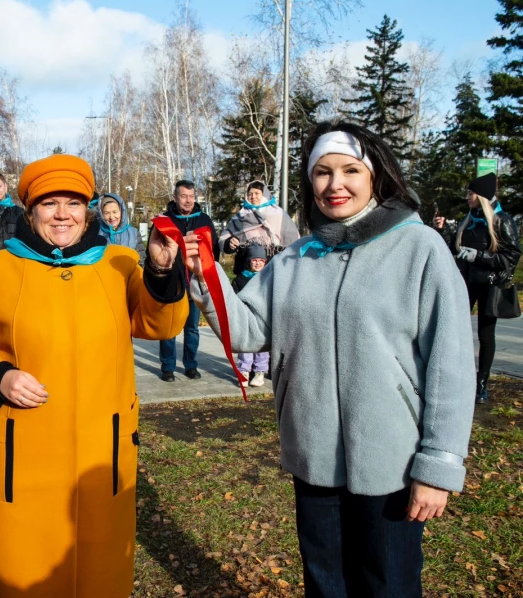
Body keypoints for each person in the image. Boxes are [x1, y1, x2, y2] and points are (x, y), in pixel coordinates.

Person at [184, 122, 475, 597]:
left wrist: (438, 466)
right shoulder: (297, 257)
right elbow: (248, 329)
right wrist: (206, 276)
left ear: (375, 176)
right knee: (325, 584)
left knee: (388, 586)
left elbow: (451, 364)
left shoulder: (419, 248)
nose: (334, 184)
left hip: (392, 464)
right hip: (313, 458)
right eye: (321, 172)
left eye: (348, 170)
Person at [0, 154, 189, 598]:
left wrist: (159, 269)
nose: (62, 214)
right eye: (49, 204)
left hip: (102, 458)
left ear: (89, 210)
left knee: (100, 576)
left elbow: (161, 325)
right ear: (30, 211)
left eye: (74, 203)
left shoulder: (118, 265)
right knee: (21, 575)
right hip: (20, 462)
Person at [433, 173, 521, 404]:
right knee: (456, 330)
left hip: (490, 285)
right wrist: (443, 230)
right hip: (467, 283)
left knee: (485, 334)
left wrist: (479, 255)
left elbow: (512, 255)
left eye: (470, 194)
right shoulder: (468, 218)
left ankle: (481, 385)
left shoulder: (502, 220)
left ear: (481, 196)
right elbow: (454, 247)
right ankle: (456, 377)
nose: (467, 198)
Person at [157, 179, 219, 382]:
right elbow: (156, 252)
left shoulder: (204, 220)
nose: (188, 201)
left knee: (191, 328)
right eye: (184, 196)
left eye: (191, 197)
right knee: (169, 327)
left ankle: (191, 365)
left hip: (193, 282)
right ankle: (167, 367)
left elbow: (214, 250)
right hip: (171, 283)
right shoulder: (164, 221)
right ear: (175, 197)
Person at [220, 180, 301, 274]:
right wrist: (230, 243)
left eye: (257, 193)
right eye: (250, 194)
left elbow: (293, 238)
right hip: (246, 269)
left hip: (274, 266)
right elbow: (226, 236)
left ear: (264, 195)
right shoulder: (240, 216)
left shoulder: (279, 214)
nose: (253, 197)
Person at [233, 242, 269, 388]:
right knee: (246, 345)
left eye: (261, 260)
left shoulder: (268, 277)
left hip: (263, 316)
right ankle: (244, 371)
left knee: (262, 345)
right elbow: (234, 295)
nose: (258, 263)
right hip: (246, 316)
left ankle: (260, 372)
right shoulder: (241, 278)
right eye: (254, 260)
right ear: (249, 261)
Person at [97, 193, 145, 263]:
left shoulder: (133, 233)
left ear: (121, 212)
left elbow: (142, 261)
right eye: (106, 213)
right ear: (101, 214)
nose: (111, 217)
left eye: (115, 212)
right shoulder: (96, 233)